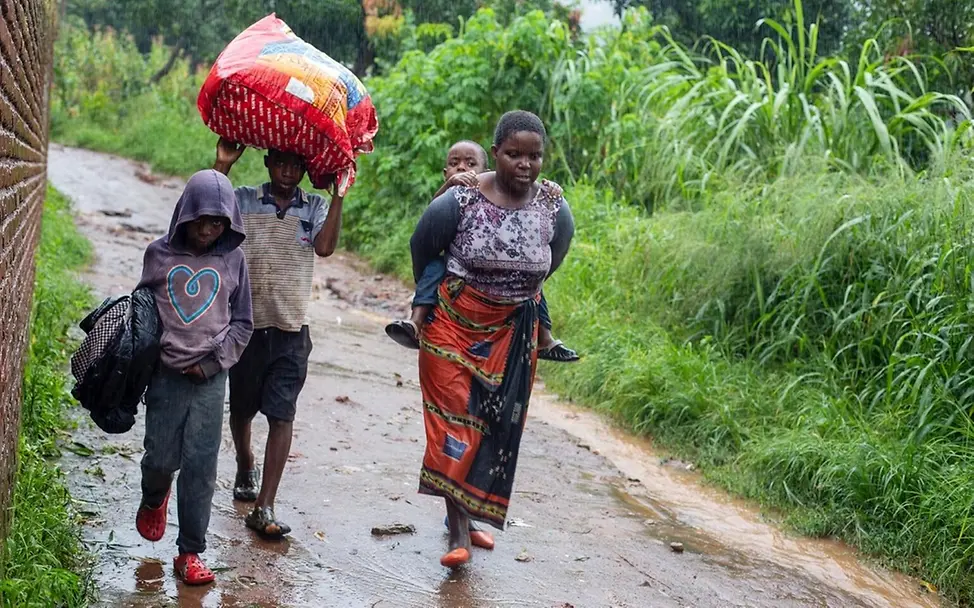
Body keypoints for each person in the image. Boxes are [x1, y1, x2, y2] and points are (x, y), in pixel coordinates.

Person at [409, 111, 574, 568]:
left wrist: (518, 292)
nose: (525, 164)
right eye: (515, 154)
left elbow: (553, 256)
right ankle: (458, 531)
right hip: (453, 326)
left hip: (511, 332)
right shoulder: (459, 201)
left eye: (535, 156)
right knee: (456, 421)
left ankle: (467, 517)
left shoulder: (553, 206)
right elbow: (423, 248)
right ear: (496, 153)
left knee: (492, 424)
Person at [213, 139, 344, 539]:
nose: (288, 171)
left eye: (295, 165)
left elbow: (325, 247)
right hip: (246, 326)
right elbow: (210, 215)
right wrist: (222, 165)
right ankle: (244, 462)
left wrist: (339, 193)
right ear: (268, 163)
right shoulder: (245, 199)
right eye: (280, 163)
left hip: (292, 329)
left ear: (304, 169)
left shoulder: (315, 207)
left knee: (282, 414)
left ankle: (265, 504)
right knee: (242, 410)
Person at [134, 169, 254, 585]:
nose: (208, 229)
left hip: (210, 377)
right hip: (166, 377)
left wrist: (213, 362)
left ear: (229, 225)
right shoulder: (159, 255)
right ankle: (154, 495)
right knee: (161, 459)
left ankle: (190, 552)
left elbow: (243, 324)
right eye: (202, 220)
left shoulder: (234, 260)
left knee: (201, 465)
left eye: (218, 222)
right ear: (185, 215)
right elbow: (142, 312)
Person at [385, 139, 578, 363]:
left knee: (535, 287)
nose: (462, 168)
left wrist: (549, 192)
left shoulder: (495, 194)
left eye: (470, 163)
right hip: (454, 266)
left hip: (513, 278)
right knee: (433, 269)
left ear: (485, 172)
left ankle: (544, 337)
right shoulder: (451, 197)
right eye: (455, 163)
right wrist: (449, 187)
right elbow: (429, 224)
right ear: (445, 172)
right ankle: (416, 321)